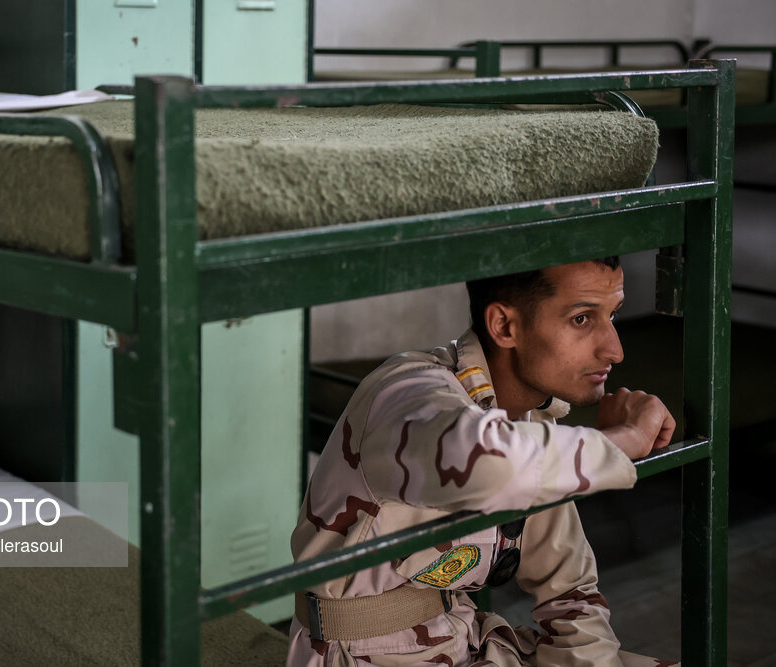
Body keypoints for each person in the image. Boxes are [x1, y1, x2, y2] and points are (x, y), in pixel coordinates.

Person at [287, 258, 679, 666]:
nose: (615, 349)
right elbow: (490, 465)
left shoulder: (531, 428)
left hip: (467, 643)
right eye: (581, 319)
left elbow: (570, 589)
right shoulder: (409, 397)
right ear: (504, 326)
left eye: (612, 315)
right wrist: (624, 440)